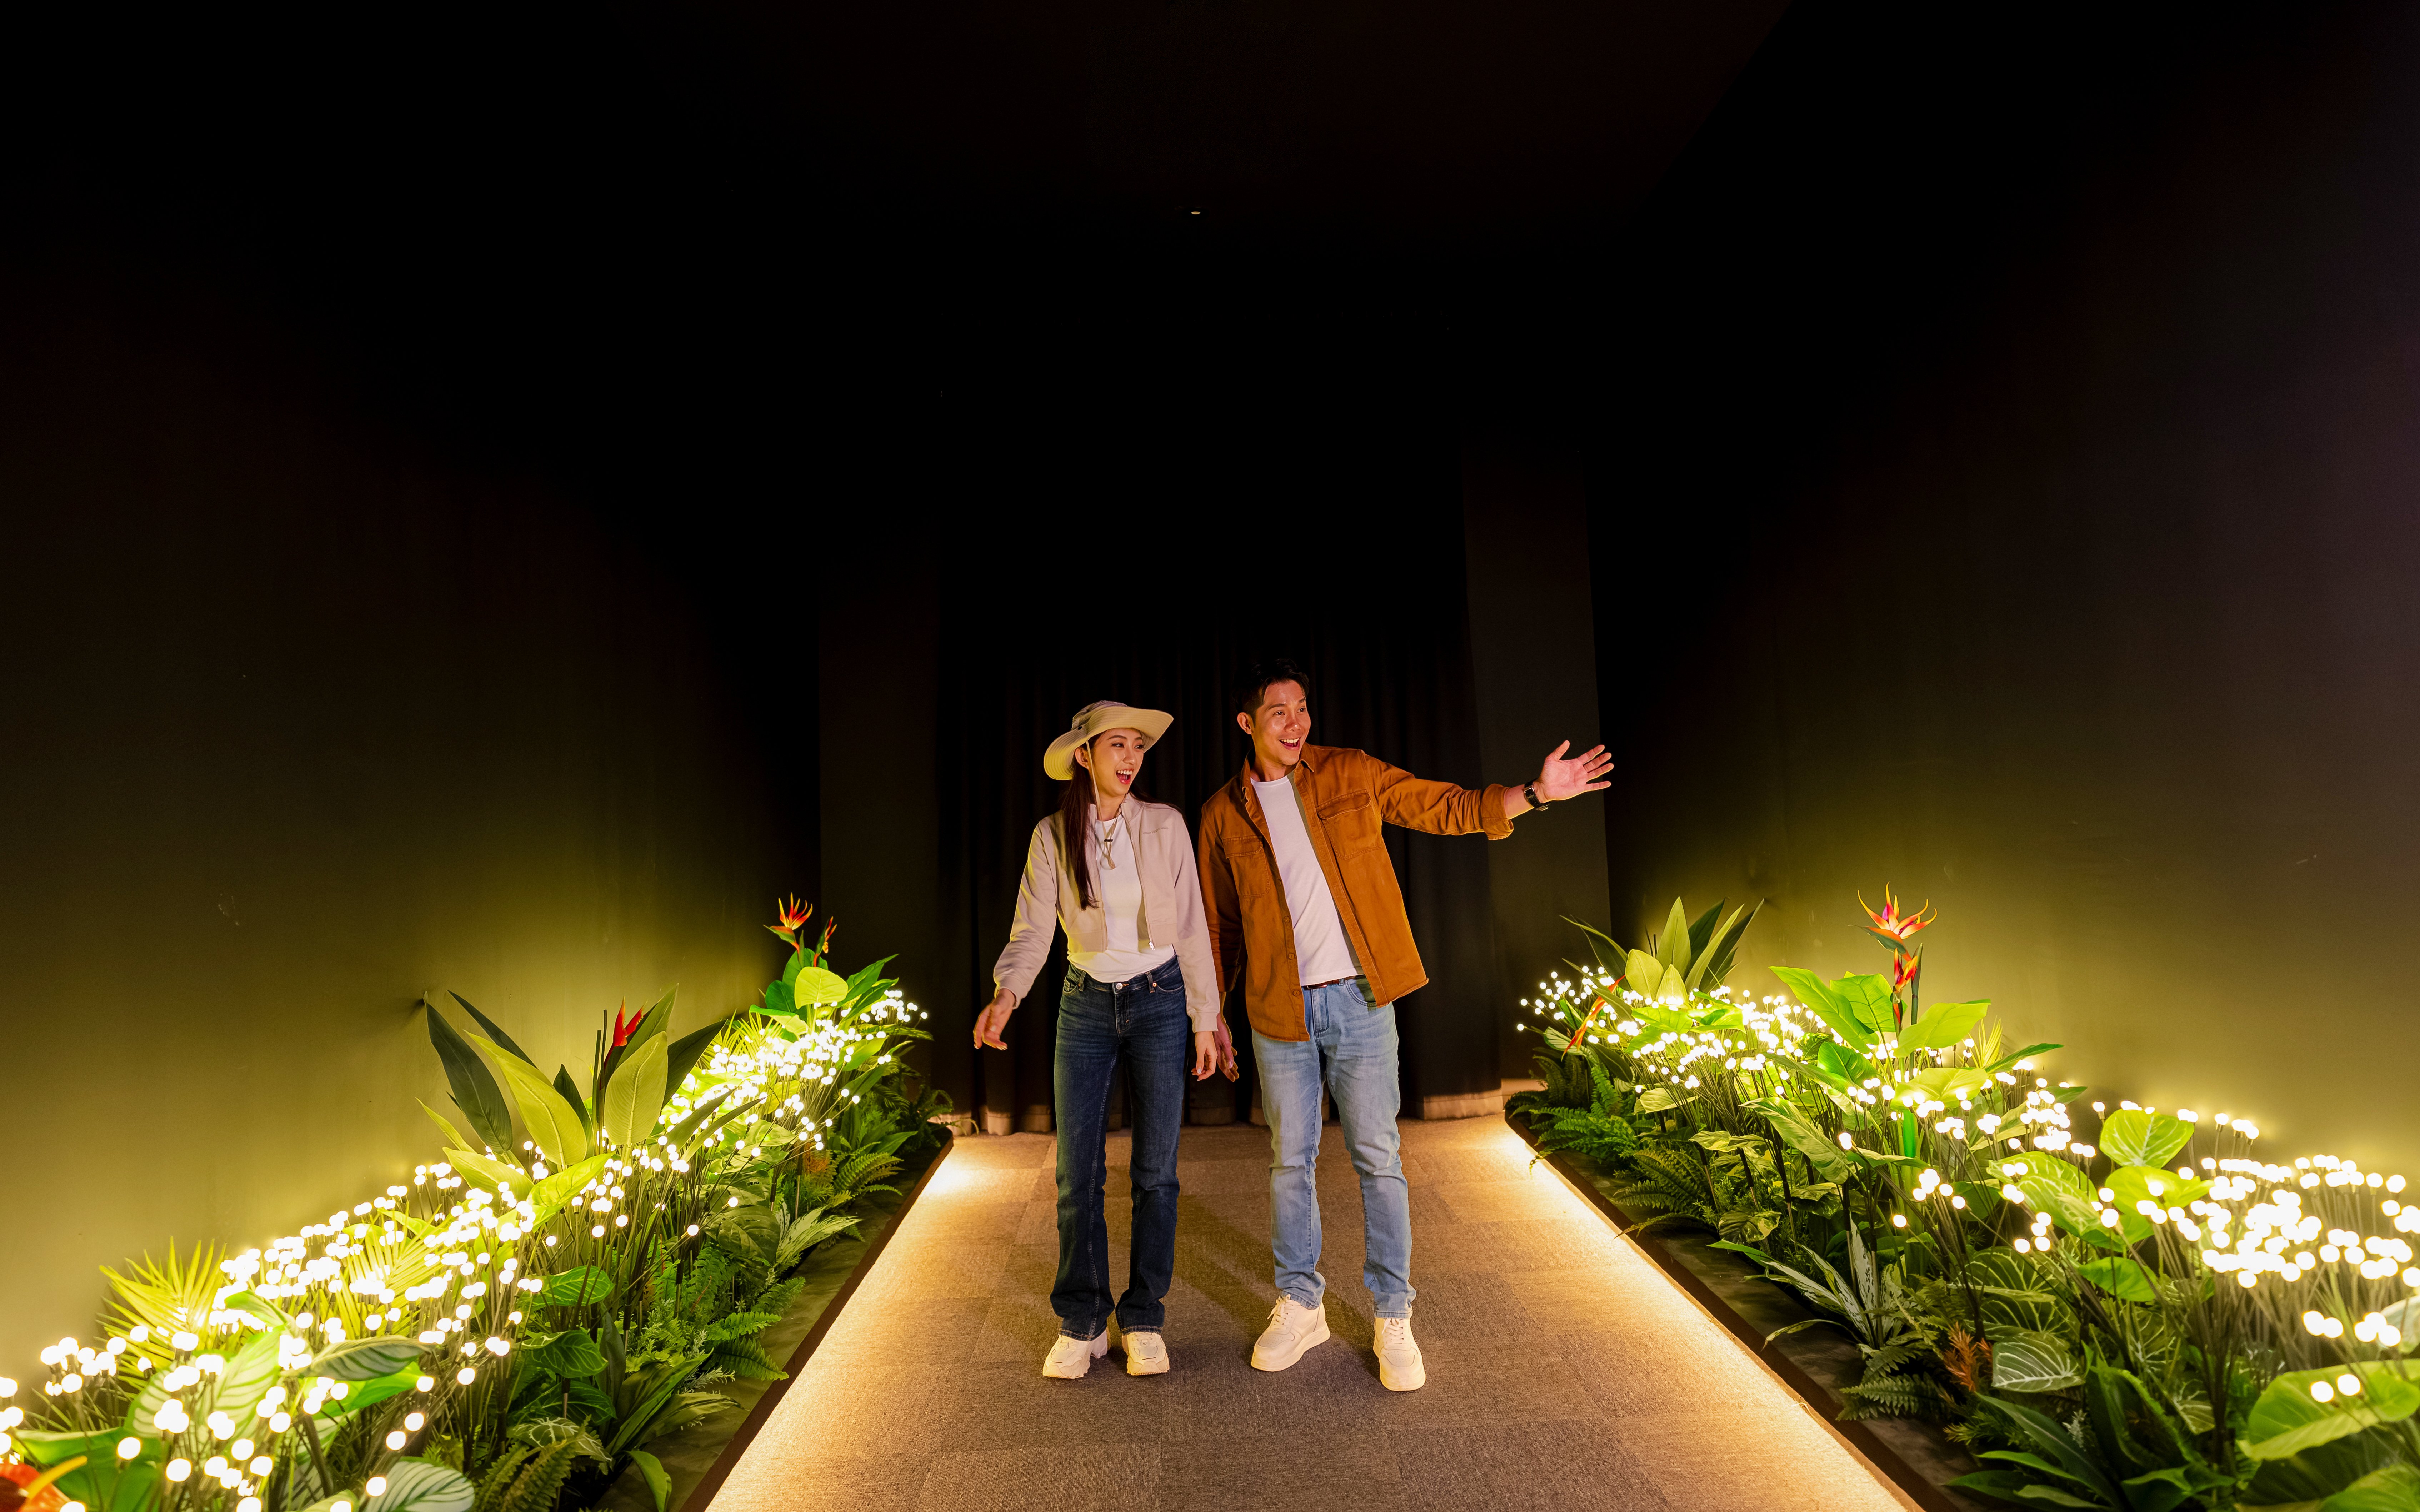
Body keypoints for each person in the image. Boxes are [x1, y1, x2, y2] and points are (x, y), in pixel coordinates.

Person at [1195, 658, 1612, 1391]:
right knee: (1290, 1163)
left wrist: (1536, 794)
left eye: (1303, 708)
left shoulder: (1349, 772)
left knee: (1378, 1159)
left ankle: (1393, 1314)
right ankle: (1301, 1303)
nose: (1296, 724)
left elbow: (1441, 806)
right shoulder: (1222, 814)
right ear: (1247, 723)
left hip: (1361, 1000)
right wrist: (1212, 1014)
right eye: (1279, 712)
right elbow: (1219, 924)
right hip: (1280, 1011)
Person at [974, 699, 1234, 1379]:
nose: (1130, 758)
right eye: (1117, 745)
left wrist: (1205, 1018)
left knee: (1156, 1173)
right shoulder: (1051, 836)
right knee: (1077, 1174)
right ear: (1084, 756)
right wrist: (1006, 996)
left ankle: (1143, 1316)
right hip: (1085, 1004)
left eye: (1138, 747)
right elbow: (1033, 929)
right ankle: (1084, 1318)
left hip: (1160, 999)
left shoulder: (1166, 825)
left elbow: (1192, 928)